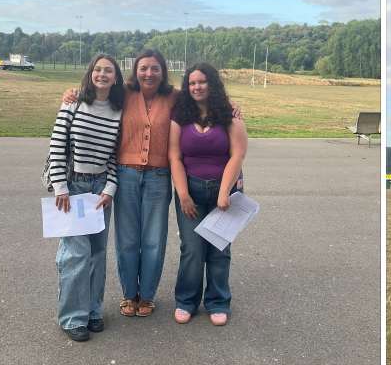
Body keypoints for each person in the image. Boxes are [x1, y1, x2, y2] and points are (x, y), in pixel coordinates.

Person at [63, 49, 242, 318]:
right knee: (126, 239)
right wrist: (71, 92)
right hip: (125, 174)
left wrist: (232, 102)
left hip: (159, 176)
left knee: (153, 240)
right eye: (143, 68)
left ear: (163, 71)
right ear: (135, 70)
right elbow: (97, 87)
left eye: (155, 68)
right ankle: (129, 294)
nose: (149, 73)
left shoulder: (174, 96)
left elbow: (204, 96)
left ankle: (146, 295)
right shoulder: (123, 92)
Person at [49, 53, 125, 341]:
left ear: (116, 77)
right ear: (90, 72)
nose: (102, 74)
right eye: (98, 69)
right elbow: (57, 144)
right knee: (75, 254)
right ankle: (72, 318)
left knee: (96, 252)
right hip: (74, 186)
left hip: (100, 190)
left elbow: (116, 155)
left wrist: (110, 189)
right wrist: (61, 187)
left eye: (108, 71)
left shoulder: (119, 109)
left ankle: (92, 310)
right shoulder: (74, 102)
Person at [168, 62, 247, 326]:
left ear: (212, 83)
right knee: (191, 248)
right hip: (190, 189)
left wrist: (224, 192)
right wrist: (183, 195)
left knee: (219, 249)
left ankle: (217, 302)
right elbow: (174, 156)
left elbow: (238, 154)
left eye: (202, 81)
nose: (196, 87)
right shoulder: (181, 114)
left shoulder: (230, 114)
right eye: (191, 83)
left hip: (225, 191)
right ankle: (186, 301)